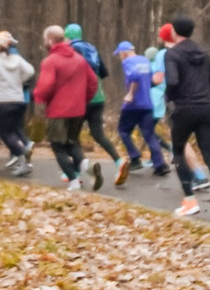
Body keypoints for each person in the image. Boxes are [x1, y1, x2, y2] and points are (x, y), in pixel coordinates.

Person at [161, 16, 210, 225]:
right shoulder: (204, 53)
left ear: (175, 32)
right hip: (205, 108)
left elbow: (173, 81)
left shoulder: (172, 54)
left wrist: (168, 96)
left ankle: (190, 201)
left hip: (183, 109)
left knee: (178, 152)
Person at [35, 25, 101, 191]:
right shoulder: (80, 59)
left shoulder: (50, 61)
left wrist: (40, 101)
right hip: (78, 110)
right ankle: (86, 164)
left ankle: (73, 181)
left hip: (58, 111)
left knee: (57, 146)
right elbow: (93, 82)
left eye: (45, 40)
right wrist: (83, 100)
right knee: (71, 143)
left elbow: (45, 87)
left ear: (50, 40)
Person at [66, 23, 122, 182]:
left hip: (81, 99)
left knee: (72, 136)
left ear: (67, 36)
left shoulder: (71, 50)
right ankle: (119, 161)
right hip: (98, 97)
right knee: (98, 134)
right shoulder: (92, 49)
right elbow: (104, 72)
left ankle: (76, 173)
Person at [114, 41, 170, 180]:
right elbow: (151, 80)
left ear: (124, 53)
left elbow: (134, 77)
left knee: (123, 130)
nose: (120, 58)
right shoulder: (145, 61)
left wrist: (131, 94)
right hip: (147, 103)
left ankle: (135, 157)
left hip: (133, 104)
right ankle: (160, 165)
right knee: (149, 134)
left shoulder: (128, 62)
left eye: (119, 55)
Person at [0, 32, 36, 175]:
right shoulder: (18, 59)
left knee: (5, 133)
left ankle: (23, 153)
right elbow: (30, 71)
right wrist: (19, 79)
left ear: (0, 45)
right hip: (19, 100)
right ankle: (24, 158)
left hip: (4, 101)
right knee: (15, 130)